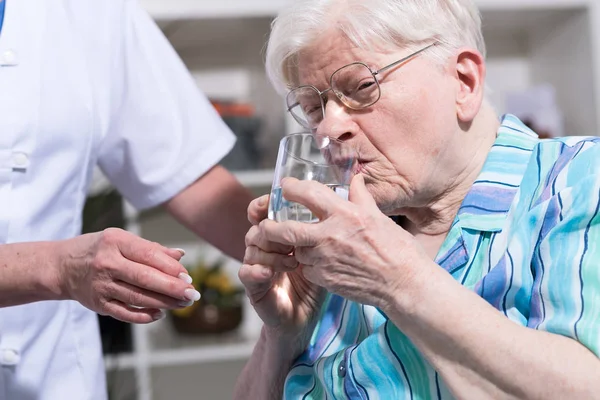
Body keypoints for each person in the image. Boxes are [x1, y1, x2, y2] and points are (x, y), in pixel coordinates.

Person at [235, 0, 600, 398]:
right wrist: (283, 336)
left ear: (464, 81)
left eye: (361, 88)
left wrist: (399, 280)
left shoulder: (578, 178)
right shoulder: (341, 232)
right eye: (312, 107)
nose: (329, 127)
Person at [0, 0, 253, 399]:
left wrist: (314, 259)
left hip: (56, 374)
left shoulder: (92, 11)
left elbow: (187, 173)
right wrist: (57, 268)